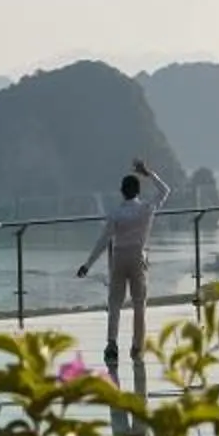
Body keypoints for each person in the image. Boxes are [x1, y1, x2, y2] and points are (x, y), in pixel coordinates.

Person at [76, 158, 172, 371]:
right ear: (138, 191)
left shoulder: (116, 214)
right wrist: (148, 173)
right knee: (139, 304)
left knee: (115, 304)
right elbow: (165, 191)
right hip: (138, 257)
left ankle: (112, 344)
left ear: (122, 192)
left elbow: (103, 241)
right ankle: (137, 346)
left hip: (118, 258)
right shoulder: (146, 209)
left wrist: (87, 265)